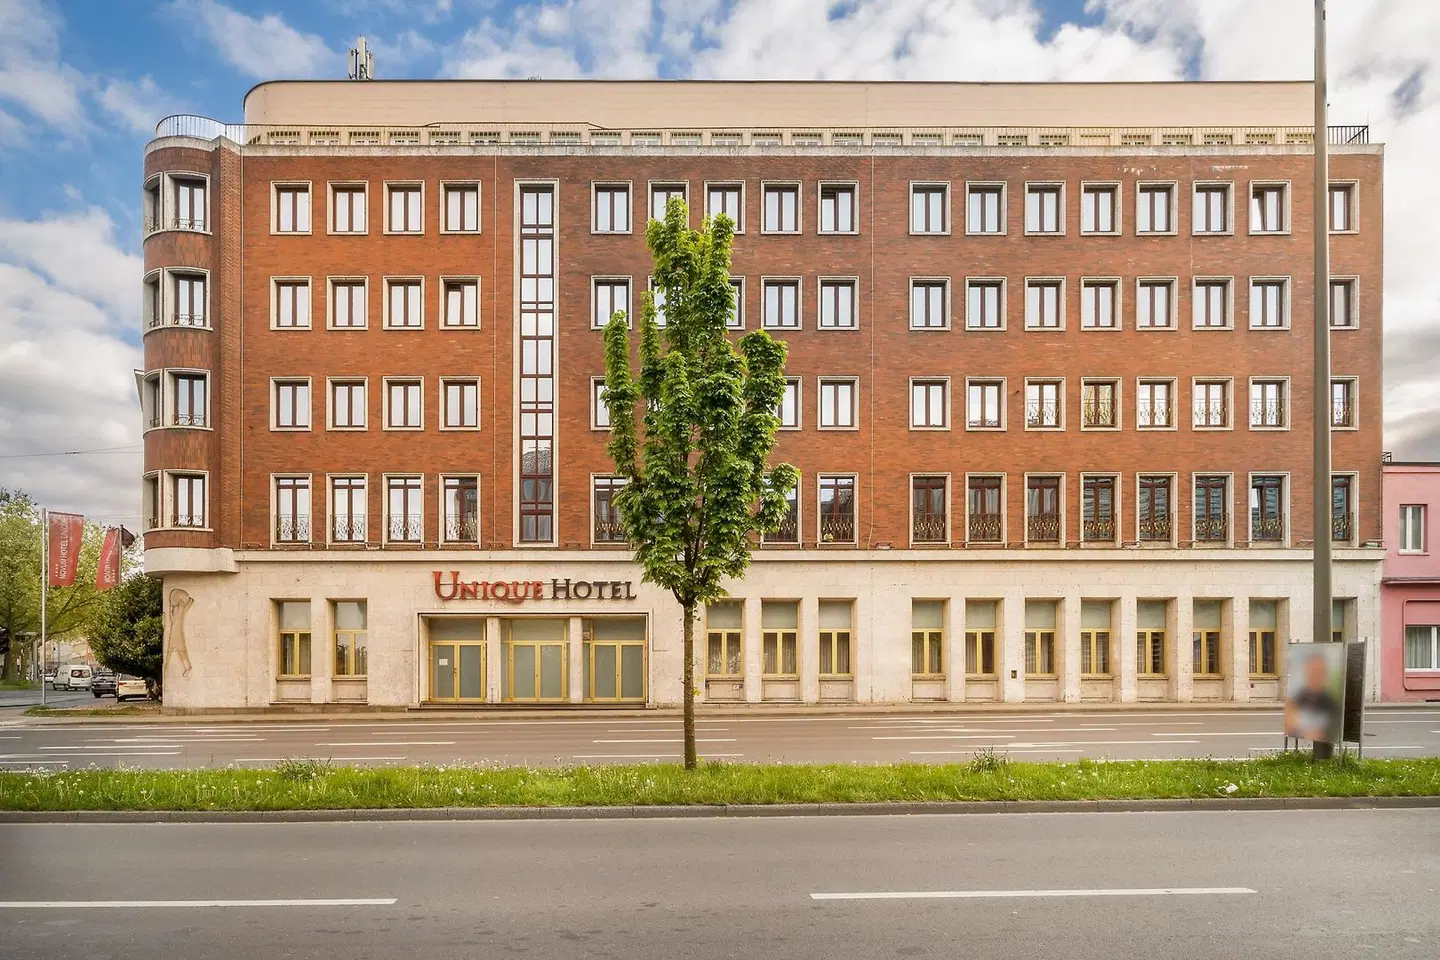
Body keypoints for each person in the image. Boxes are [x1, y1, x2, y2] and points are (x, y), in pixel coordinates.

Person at [1285, 652, 1340, 743]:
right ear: (1306, 672)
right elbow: (1289, 727)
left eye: (1319, 672)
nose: (1314, 676)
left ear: (1324, 675)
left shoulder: (1332, 704)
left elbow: (1333, 731)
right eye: (1312, 671)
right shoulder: (1296, 699)